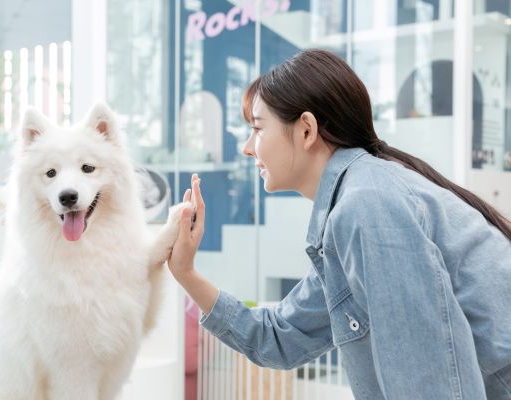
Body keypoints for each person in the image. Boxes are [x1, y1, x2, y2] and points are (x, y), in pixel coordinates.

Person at [166, 49, 511, 399]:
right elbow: (280, 337)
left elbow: (428, 388)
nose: (247, 148)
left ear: (306, 130)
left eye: (257, 128)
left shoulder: (367, 205)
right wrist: (185, 271)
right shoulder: (356, 204)